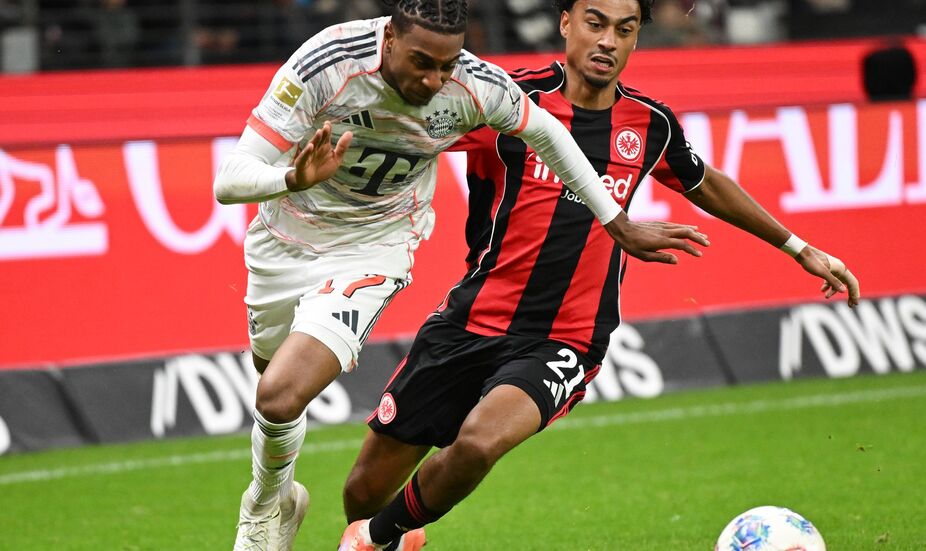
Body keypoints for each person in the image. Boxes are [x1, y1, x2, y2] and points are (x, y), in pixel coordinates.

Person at [338, 0, 861, 549]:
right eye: (596, 23)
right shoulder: (505, 101)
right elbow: (410, 131)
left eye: (625, 29)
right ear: (565, 23)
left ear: (637, 38)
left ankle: (376, 539)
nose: (609, 41)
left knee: (476, 444)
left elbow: (705, 182)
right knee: (363, 491)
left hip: (565, 338)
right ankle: (388, 536)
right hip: (468, 321)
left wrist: (800, 248)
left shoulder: (648, 124)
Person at [212, 0, 706, 549]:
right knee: (298, 415)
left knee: (280, 396)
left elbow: (549, 134)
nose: (434, 80)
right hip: (284, 240)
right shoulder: (328, 60)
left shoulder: (474, 84)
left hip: (376, 246)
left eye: (446, 65)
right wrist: (291, 177)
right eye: (422, 62)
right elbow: (228, 180)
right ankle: (279, 495)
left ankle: (267, 512)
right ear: (390, 38)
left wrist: (617, 223)